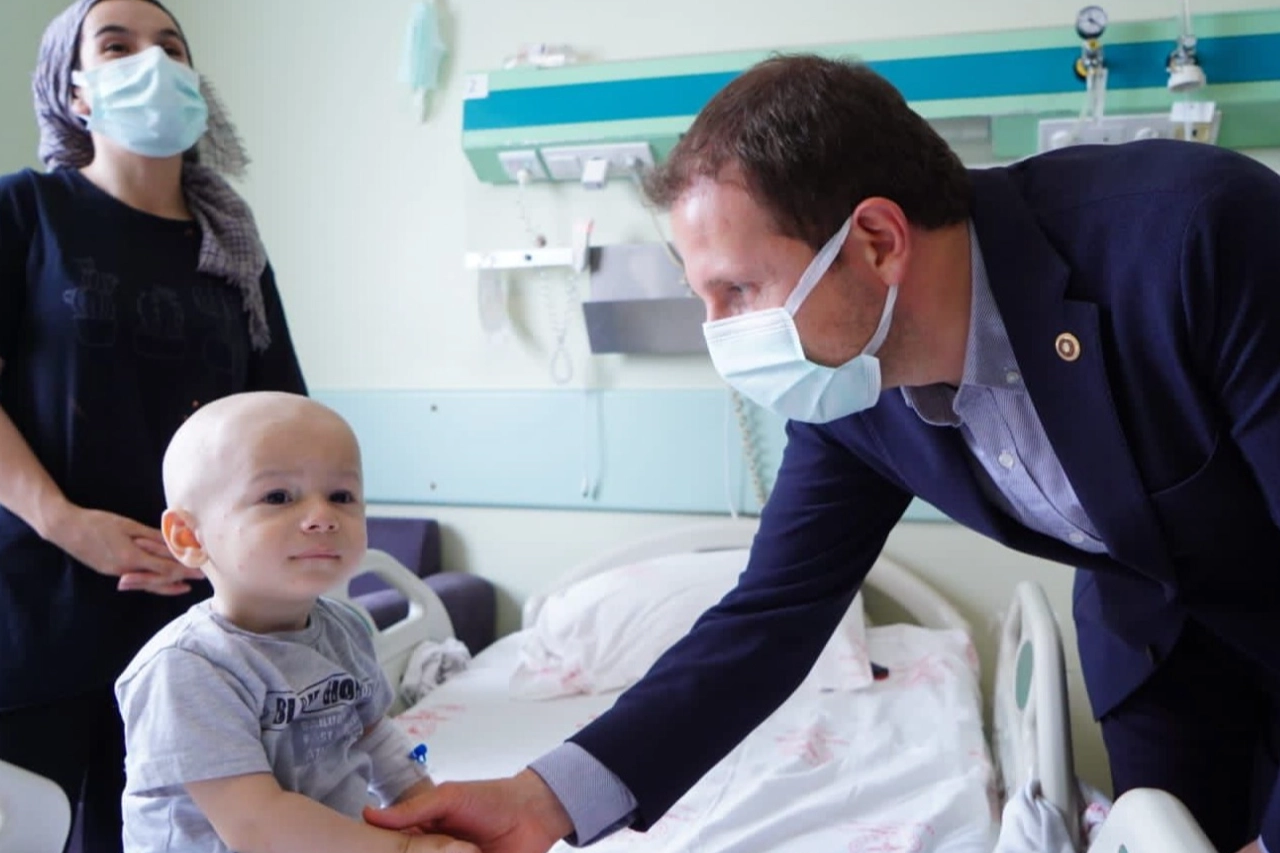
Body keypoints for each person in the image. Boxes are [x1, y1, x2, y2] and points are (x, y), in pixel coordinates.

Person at [365, 55, 1280, 853]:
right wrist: (544, 798)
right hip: (1157, 651)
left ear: (876, 242)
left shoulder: (1199, 240)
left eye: (738, 289)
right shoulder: (853, 394)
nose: (721, 335)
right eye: (701, 298)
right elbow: (770, 619)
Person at [0, 2, 307, 850]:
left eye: (173, 45)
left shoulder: (231, 245)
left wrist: (240, 559)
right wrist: (69, 524)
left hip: (192, 616)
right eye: (119, 45)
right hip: (43, 603)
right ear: (74, 93)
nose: (155, 60)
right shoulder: (28, 211)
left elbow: (279, 423)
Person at [113, 391, 474, 853]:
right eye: (278, 497)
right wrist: (404, 850)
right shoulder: (188, 669)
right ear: (189, 537)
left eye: (341, 496)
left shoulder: (343, 630)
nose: (322, 517)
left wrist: (430, 814)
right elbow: (256, 824)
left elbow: (375, 737)